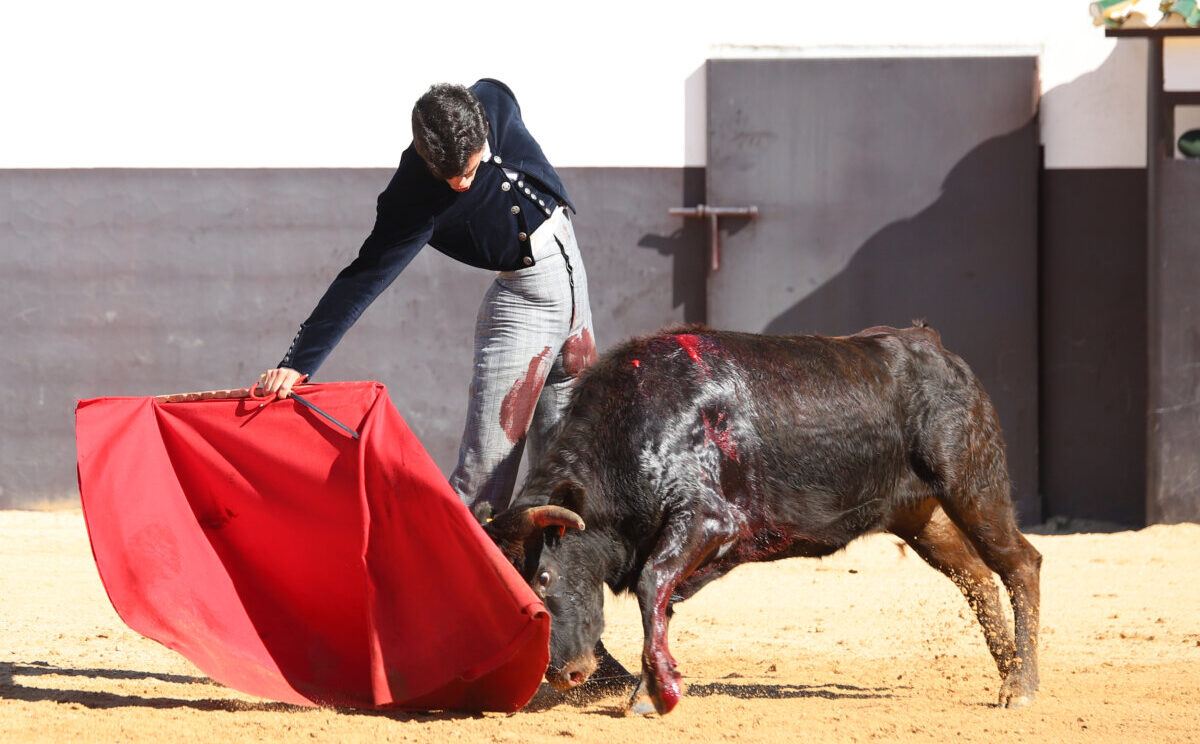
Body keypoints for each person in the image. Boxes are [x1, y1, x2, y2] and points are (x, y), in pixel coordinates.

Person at [258, 79, 597, 518]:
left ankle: (545, 567)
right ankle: (448, 563)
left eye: (470, 171)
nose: (462, 184)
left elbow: (504, 105)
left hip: (574, 284)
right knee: (484, 478)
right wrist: (297, 361)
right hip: (523, 306)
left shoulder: (493, 99)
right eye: (450, 177)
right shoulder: (413, 196)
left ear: (483, 131)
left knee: (566, 468)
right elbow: (362, 278)